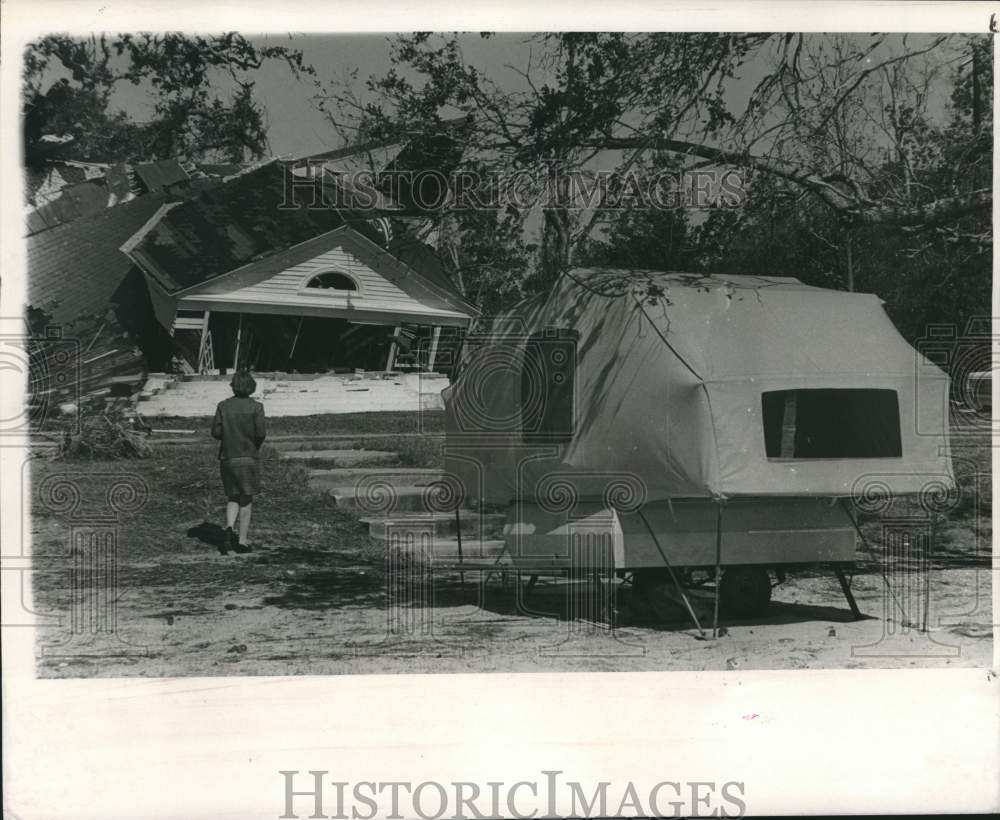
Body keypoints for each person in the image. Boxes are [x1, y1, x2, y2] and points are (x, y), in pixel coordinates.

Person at [211, 370, 266, 554]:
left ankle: (228, 527)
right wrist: (252, 445)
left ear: (233, 385)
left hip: (227, 457)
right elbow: (260, 433)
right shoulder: (257, 407)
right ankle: (242, 541)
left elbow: (216, 433)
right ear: (251, 386)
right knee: (246, 499)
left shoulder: (223, 406)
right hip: (248, 456)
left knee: (232, 496)